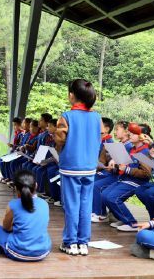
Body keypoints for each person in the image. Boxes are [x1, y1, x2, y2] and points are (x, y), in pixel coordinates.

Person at [55, 79, 102, 256]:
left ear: (71, 95)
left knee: (71, 205)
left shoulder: (66, 116)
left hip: (71, 167)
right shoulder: (97, 117)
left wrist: (63, 152)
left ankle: (70, 243)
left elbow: (60, 141)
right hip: (89, 167)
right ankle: (83, 243)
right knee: (85, 205)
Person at [0, 170, 51, 261]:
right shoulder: (44, 204)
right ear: (36, 185)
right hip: (43, 252)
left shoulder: (13, 205)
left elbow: (6, 228)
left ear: (15, 188)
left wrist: (14, 228)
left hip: (18, 252)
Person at [102, 123, 152, 232]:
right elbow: (124, 164)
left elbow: (147, 174)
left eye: (133, 133)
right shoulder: (132, 149)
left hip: (136, 182)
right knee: (105, 194)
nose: (130, 135)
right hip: (125, 179)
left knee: (112, 198)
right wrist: (115, 166)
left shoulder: (145, 151)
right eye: (130, 132)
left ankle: (131, 223)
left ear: (142, 136)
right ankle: (123, 218)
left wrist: (127, 170)